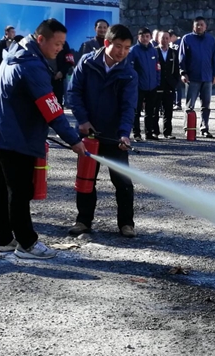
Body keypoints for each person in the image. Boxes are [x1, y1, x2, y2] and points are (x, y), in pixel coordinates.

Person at [0, 19, 86, 259]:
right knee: (19, 190)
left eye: (63, 43)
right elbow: (51, 108)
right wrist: (73, 140)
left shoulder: (16, 54)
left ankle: (3, 239)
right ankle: (27, 244)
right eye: (57, 43)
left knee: (1, 187)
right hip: (15, 137)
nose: (60, 48)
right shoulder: (31, 65)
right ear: (41, 39)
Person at [68, 24, 138, 237]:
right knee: (86, 178)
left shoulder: (129, 73)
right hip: (88, 134)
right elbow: (74, 93)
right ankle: (83, 221)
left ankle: (126, 224)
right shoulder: (87, 63)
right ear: (107, 43)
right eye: (118, 46)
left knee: (123, 182)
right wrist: (83, 120)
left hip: (114, 136)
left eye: (127, 48)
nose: (122, 52)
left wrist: (124, 133)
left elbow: (129, 107)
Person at [179, 17, 215, 138]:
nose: (199, 27)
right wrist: (183, 72)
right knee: (190, 106)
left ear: (205, 26)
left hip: (207, 77)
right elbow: (182, 58)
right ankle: (188, 128)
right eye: (197, 25)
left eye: (202, 25)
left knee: (206, 105)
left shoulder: (211, 40)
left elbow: (214, 58)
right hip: (192, 77)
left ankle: (204, 128)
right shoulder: (187, 39)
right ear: (193, 27)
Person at [129, 27, 161, 141]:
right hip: (138, 87)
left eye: (147, 36)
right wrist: (134, 83)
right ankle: (136, 133)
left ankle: (149, 133)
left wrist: (157, 82)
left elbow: (157, 68)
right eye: (142, 36)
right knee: (136, 111)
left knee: (150, 111)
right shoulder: (133, 51)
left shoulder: (153, 50)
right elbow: (130, 69)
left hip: (152, 86)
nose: (145, 39)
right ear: (138, 37)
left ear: (150, 37)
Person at [155, 30, 180, 139]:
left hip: (169, 85)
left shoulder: (174, 52)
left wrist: (175, 82)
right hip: (156, 85)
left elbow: (177, 69)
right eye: (162, 38)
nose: (164, 40)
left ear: (169, 39)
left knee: (168, 110)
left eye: (166, 38)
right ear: (158, 39)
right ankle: (154, 131)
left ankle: (167, 132)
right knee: (155, 110)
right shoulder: (153, 51)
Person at [50, 40, 74, 106]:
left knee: (58, 105)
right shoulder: (42, 42)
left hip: (58, 79)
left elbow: (70, 61)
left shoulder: (63, 43)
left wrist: (62, 72)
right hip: (44, 79)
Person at [168, 29, 184, 110]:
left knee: (177, 87)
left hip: (177, 68)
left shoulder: (178, 44)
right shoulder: (173, 44)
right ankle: (174, 102)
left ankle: (178, 103)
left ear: (173, 36)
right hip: (172, 68)